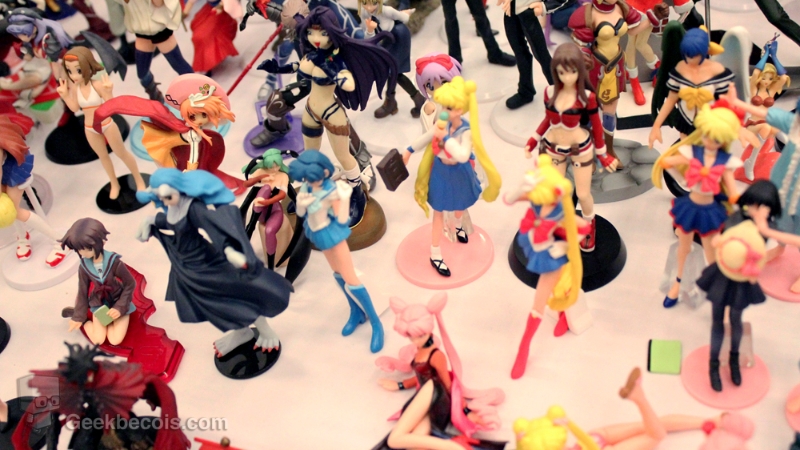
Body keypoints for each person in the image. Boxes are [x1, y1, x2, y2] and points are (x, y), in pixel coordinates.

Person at [135, 169, 293, 359]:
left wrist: (229, 251)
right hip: (188, 267)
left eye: (168, 196)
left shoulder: (194, 208)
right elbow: (172, 223)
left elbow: (215, 226)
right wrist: (151, 220)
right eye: (161, 197)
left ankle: (265, 330)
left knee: (241, 293)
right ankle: (241, 331)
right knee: (218, 306)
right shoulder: (174, 206)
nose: (165, 201)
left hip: (207, 263)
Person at [374, 293, 505, 450]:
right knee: (415, 445)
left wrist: (465, 410)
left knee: (394, 440)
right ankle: (460, 445)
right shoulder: (419, 351)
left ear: (429, 330)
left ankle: (452, 446)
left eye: (420, 336)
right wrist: (400, 385)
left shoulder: (436, 355)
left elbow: (448, 384)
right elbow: (420, 376)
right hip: (425, 397)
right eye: (411, 336)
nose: (415, 340)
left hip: (435, 396)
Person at [524, 43, 618, 252]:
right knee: (556, 192)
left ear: (580, 71)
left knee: (583, 194)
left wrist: (603, 155)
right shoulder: (549, 92)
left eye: (572, 72)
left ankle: (588, 226)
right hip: (553, 147)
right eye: (561, 72)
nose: (567, 77)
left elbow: (597, 127)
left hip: (580, 148)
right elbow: (548, 120)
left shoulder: (587, 97)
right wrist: (534, 139)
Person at [404, 76, 501, 277]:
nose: (443, 111)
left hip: (459, 172)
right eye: (443, 106)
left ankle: (457, 226)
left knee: (460, 205)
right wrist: (409, 150)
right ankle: (435, 253)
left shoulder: (466, 131)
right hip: (441, 172)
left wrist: (445, 138)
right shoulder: (441, 124)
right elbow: (426, 137)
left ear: (459, 109)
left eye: (447, 107)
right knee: (438, 212)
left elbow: (463, 155)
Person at [289, 151, 384, 353]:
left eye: (312, 178)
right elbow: (300, 213)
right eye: (306, 179)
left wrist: (339, 200)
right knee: (337, 274)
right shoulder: (307, 188)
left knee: (351, 279)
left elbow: (342, 219)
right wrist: (303, 202)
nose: (309, 182)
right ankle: (355, 311)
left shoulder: (331, 191)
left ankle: (376, 322)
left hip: (333, 234)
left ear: (324, 173)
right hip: (318, 234)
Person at [652, 102, 741, 308]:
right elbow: (669, 162)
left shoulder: (725, 162)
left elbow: (733, 191)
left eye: (715, 138)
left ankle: (717, 286)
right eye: (706, 134)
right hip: (690, 206)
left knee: (711, 253)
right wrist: (672, 167)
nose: (709, 141)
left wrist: (738, 204)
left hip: (709, 211)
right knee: (683, 248)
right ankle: (677, 283)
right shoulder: (693, 152)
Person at [505, 155, 586, 379]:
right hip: (534, 246)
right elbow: (508, 199)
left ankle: (524, 348)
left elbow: (584, 228)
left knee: (539, 302)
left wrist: (565, 246)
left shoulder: (561, 210)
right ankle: (563, 313)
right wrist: (523, 186)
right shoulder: (538, 197)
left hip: (551, 257)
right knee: (559, 287)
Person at [515, 369, 738, 450]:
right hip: (592, 439)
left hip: (592, 442)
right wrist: (569, 424)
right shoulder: (528, 441)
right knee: (651, 426)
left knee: (655, 432)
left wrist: (569, 426)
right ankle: (712, 421)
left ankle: (639, 398)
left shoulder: (530, 443)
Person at [58, 47, 147, 200]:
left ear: (87, 66)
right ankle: (114, 183)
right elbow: (74, 108)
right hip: (89, 128)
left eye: (78, 70)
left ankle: (138, 179)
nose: (74, 76)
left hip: (106, 124)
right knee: (103, 157)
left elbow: (111, 106)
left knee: (121, 153)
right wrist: (65, 96)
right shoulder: (75, 89)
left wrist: (109, 92)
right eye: (70, 71)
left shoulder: (97, 85)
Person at [1, 110, 67, 267]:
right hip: (4, 163)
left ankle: (60, 241)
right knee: (6, 207)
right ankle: (22, 236)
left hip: (14, 163)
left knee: (13, 210)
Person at [61, 218, 135, 346]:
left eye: (88, 249)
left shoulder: (113, 261)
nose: (83, 253)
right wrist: (78, 316)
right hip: (99, 304)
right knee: (98, 340)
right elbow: (82, 291)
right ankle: (85, 320)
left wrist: (119, 307)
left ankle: (107, 321)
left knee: (115, 340)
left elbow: (130, 284)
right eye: (79, 249)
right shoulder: (84, 266)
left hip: (118, 300)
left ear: (102, 241)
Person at [111, 0, 194, 101]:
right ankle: (156, 97)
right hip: (141, 31)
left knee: (179, 65)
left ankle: (199, 93)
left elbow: (159, 3)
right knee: (142, 74)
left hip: (159, 29)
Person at [358, 0, 425, 119]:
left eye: (374, 3)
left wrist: (405, 13)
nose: (369, 7)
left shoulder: (387, 11)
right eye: (365, 3)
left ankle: (416, 100)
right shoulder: (364, 13)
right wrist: (370, 30)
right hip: (387, 39)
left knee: (395, 72)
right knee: (389, 70)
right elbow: (370, 39)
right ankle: (392, 101)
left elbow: (404, 18)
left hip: (399, 36)